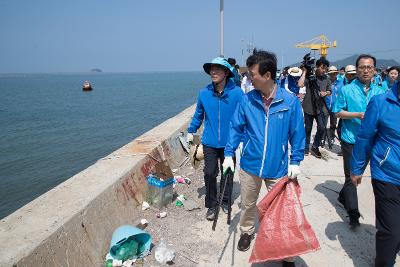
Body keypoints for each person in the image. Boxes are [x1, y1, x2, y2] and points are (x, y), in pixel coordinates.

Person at [223, 49, 305, 267]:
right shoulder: (247, 100)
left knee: (281, 213)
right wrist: (229, 154)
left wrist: (296, 161)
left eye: (253, 74)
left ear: (267, 75)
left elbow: (297, 133)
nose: (250, 78)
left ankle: (286, 253)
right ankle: (247, 232)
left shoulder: (289, 101)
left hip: (278, 168)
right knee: (248, 205)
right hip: (250, 165)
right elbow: (235, 127)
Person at [187, 57, 244, 220]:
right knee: (210, 173)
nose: (213, 72)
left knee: (228, 172)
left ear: (226, 72)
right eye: (211, 69)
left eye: (217, 69)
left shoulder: (237, 93)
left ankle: (225, 201)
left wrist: (244, 138)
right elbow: (198, 114)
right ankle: (211, 205)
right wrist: (191, 130)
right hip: (209, 141)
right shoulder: (204, 93)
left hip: (230, 142)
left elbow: (244, 116)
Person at [332, 54, 385, 227]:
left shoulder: (381, 92)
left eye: (369, 67)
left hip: (373, 141)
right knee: (351, 176)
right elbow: (337, 111)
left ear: (375, 70)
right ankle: (353, 213)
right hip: (351, 138)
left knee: (363, 175)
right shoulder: (346, 90)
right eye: (362, 67)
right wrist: (357, 115)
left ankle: (342, 195)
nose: (366, 70)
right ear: (357, 70)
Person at [351, 83, 400, 267]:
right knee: (391, 231)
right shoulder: (380, 102)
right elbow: (365, 136)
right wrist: (357, 168)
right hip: (387, 174)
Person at [298, 57, 331, 158]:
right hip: (308, 107)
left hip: (320, 108)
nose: (324, 70)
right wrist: (304, 72)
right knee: (307, 128)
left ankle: (315, 146)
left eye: (325, 69)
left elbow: (330, 91)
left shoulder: (326, 78)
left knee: (322, 127)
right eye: (322, 68)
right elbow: (300, 84)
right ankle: (306, 147)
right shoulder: (310, 77)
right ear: (317, 67)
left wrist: (325, 93)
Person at [324, 66, 342, 144]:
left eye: (334, 73)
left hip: (335, 106)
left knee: (333, 123)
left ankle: (331, 136)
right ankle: (322, 136)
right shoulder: (326, 82)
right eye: (331, 74)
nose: (332, 75)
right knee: (323, 122)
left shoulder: (341, 82)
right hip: (326, 105)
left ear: (336, 73)